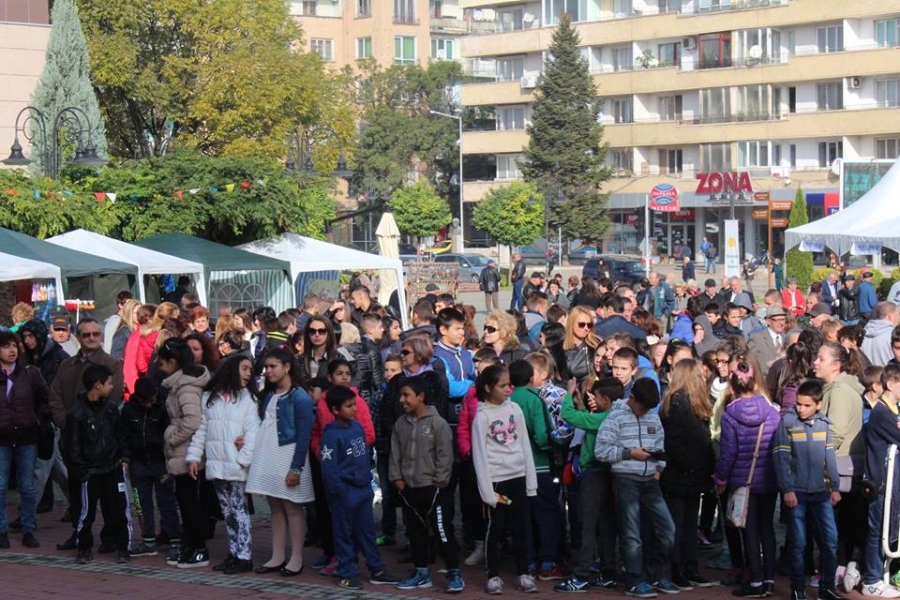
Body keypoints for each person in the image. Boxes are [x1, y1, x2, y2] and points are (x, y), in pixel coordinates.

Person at [595, 378, 678, 597]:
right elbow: (601, 451)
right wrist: (630, 453)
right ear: (631, 398)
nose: (645, 412)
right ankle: (634, 579)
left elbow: (660, 444)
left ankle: (655, 573)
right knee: (632, 535)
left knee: (668, 530)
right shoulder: (615, 416)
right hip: (626, 480)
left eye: (649, 408)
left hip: (651, 480)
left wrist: (658, 469)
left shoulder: (652, 415)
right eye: (642, 407)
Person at [50, 318, 124, 551]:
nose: (92, 338)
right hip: (74, 442)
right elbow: (55, 395)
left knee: (108, 496)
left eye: (95, 334)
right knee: (77, 493)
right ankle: (80, 534)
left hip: (102, 444)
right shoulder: (67, 365)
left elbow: (114, 398)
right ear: (78, 337)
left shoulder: (111, 364)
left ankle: (110, 536)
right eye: (86, 335)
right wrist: (67, 423)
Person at [185, 355, 261, 575]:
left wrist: (243, 460)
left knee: (239, 511)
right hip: (216, 464)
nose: (248, 374)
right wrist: (194, 457)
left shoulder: (249, 400)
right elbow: (202, 429)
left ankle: (244, 555)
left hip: (236, 465)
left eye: (250, 370)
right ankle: (234, 552)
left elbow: (253, 432)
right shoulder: (210, 397)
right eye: (244, 368)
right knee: (227, 511)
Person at [319, 385, 399, 590]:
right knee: (344, 534)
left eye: (354, 404)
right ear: (335, 410)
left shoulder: (357, 428)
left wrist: (366, 482)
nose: (355, 409)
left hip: (363, 490)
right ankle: (346, 572)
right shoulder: (330, 435)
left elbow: (364, 457)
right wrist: (340, 491)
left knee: (367, 532)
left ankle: (376, 569)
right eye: (349, 406)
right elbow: (329, 468)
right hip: (344, 493)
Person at [390, 375, 464, 593]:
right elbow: (395, 454)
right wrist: (397, 479)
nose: (402, 400)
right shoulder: (400, 424)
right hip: (409, 489)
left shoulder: (437, 423)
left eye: (406, 395)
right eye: (400, 395)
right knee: (415, 532)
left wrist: (439, 482)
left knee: (442, 531)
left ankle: (454, 572)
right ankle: (421, 572)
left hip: (433, 489)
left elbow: (445, 456)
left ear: (421, 396)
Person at [245, 348, 315, 577]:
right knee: (275, 506)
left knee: (292, 506)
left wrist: (296, 467)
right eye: (267, 367)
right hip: (269, 454)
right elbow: (263, 424)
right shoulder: (268, 394)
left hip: (288, 455)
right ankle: (277, 556)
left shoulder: (300, 397)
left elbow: (304, 435)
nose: (268, 371)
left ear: (287, 367)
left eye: (273, 366)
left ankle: (296, 558)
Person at [715, 359, 781, 598]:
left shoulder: (729, 416)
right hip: (769, 477)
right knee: (767, 528)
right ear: (754, 384)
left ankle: (755, 582)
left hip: (743, 480)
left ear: (732, 387)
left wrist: (721, 479)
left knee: (750, 530)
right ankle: (769, 579)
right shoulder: (772, 412)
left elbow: (728, 453)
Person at [772, 380, 842, 600]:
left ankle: (827, 587)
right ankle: (797, 589)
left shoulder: (824, 424)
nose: (801, 409)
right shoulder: (787, 423)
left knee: (830, 541)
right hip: (797, 493)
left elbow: (829, 458)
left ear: (818, 405)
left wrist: (834, 487)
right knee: (799, 543)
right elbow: (781, 459)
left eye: (807, 405)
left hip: (821, 493)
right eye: (799, 404)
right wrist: (787, 489)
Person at [472, 365, 538, 594]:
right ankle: (492, 575)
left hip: (518, 477)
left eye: (509, 384)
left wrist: (530, 482)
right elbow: (479, 456)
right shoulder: (481, 417)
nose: (508, 389)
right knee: (496, 528)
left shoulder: (515, 409)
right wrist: (487, 493)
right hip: (497, 482)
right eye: (502, 386)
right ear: (488, 388)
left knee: (521, 527)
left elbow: (524, 444)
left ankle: (524, 573)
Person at [554, 377, 621, 592]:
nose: (594, 400)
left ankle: (581, 574)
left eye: (597, 397)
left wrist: (569, 394)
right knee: (606, 525)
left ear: (606, 400)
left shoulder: (601, 418)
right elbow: (586, 418)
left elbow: (569, 416)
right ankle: (608, 573)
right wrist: (583, 406)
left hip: (594, 475)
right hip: (610, 474)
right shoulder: (616, 416)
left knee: (587, 525)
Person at [659, 359, 715, 590]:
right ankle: (677, 567)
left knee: (690, 523)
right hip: (681, 473)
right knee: (678, 524)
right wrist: (688, 465)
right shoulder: (678, 403)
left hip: (694, 473)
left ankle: (690, 565)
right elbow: (673, 441)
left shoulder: (693, 402)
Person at [66, 364, 130, 564]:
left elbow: (121, 435)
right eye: (109, 383)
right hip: (90, 471)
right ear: (97, 385)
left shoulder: (111, 409)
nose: (112, 386)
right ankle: (84, 548)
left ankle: (122, 546)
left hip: (113, 467)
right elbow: (72, 447)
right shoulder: (77, 413)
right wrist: (82, 472)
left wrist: (124, 458)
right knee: (87, 513)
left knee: (120, 510)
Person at [157, 337, 212, 568]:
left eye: (162, 363)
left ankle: (198, 547)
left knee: (189, 502)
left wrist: (173, 438)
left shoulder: (186, 387)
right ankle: (190, 544)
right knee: (184, 499)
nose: (160, 367)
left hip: (187, 451)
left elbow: (192, 420)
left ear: (173, 362)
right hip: (182, 450)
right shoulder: (179, 384)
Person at [508, 359, 564, 579]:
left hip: (512, 466)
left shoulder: (507, 399)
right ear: (531, 377)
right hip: (537, 464)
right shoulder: (534, 399)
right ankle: (548, 563)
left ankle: (528, 562)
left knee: (523, 516)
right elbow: (542, 435)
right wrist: (554, 445)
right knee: (547, 513)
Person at [120, 376, 181, 561]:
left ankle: (175, 540)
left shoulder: (163, 407)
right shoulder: (129, 409)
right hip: (138, 463)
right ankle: (148, 540)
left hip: (161, 462)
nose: (148, 405)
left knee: (167, 502)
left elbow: (170, 433)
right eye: (144, 401)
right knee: (141, 504)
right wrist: (125, 458)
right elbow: (124, 436)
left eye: (151, 400)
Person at [0, 330, 49, 550]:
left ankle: (28, 527)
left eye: (14, 346)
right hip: (2, 439)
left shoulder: (30, 373)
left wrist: (37, 419)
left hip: (27, 437)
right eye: (6, 346)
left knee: (28, 486)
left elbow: (45, 399)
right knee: (0, 486)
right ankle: (2, 529)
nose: (12, 350)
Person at [855, 363, 900, 599]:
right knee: (877, 531)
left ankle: (880, 574)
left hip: (891, 484)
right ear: (891, 384)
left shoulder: (893, 410)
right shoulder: (882, 413)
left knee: (887, 529)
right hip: (881, 484)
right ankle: (872, 579)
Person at [748, 306, 788, 377]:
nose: (781, 323)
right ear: (768, 321)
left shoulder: (787, 338)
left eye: (783, 319)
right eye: (777, 320)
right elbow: (750, 360)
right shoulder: (756, 338)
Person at [862, 302, 898, 366]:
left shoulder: (862, 334)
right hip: (889, 371)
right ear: (891, 316)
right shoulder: (893, 335)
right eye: (897, 315)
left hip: (867, 372)